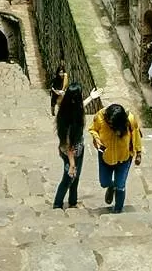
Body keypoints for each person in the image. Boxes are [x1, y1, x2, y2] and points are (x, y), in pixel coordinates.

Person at [89, 101, 143, 213]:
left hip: (124, 157)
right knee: (104, 182)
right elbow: (93, 129)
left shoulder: (130, 120)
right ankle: (110, 186)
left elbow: (136, 135)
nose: (110, 125)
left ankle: (118, 209)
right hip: (106, 156)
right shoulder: (100, 117)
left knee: (120, 185)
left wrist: (138, 153)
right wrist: (97, 140)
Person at [53, 82, 99, 210]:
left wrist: (91, 97)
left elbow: (80, 107)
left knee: (75, 177)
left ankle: (73, 201)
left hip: (76, 149)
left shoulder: (67, 109)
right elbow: (69, 145)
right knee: (68, 178)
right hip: (71, 152)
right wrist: (72, 164)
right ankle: (57, 205)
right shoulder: (70, 120)